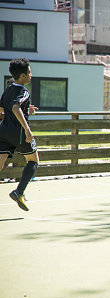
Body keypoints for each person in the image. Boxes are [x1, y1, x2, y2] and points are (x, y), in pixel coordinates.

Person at [0, 58, 39, 211]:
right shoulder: (24, 91)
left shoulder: (8, 89)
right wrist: (28, 130)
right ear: (22, 76)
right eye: (29, 72)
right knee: (33, 161)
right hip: (19, 133)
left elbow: (2, 109)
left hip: (3, 130)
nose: (31, 75)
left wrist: (25, 110)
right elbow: (15, 108)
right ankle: (19, 192)